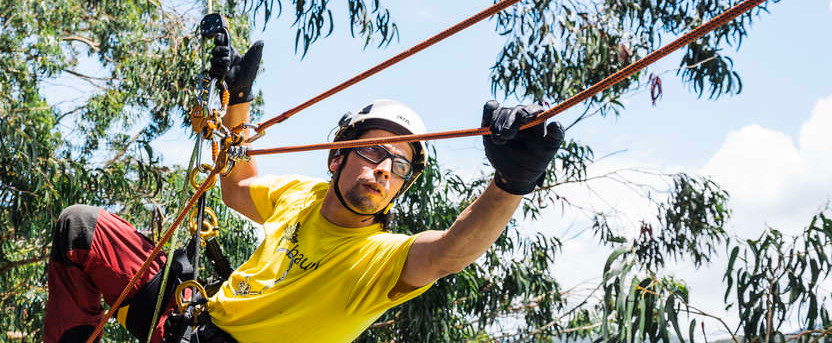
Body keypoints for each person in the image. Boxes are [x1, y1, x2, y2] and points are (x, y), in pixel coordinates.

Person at [43, 37, 564, 343]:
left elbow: (453, 250)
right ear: (337, 156)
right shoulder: (302, 195)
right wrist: (239, 101)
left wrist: (512, 182)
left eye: (400, 167)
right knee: (80, 230)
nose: (384, 171)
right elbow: (237, 185)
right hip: (189, 329)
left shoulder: (379, 261)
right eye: (374, 152)